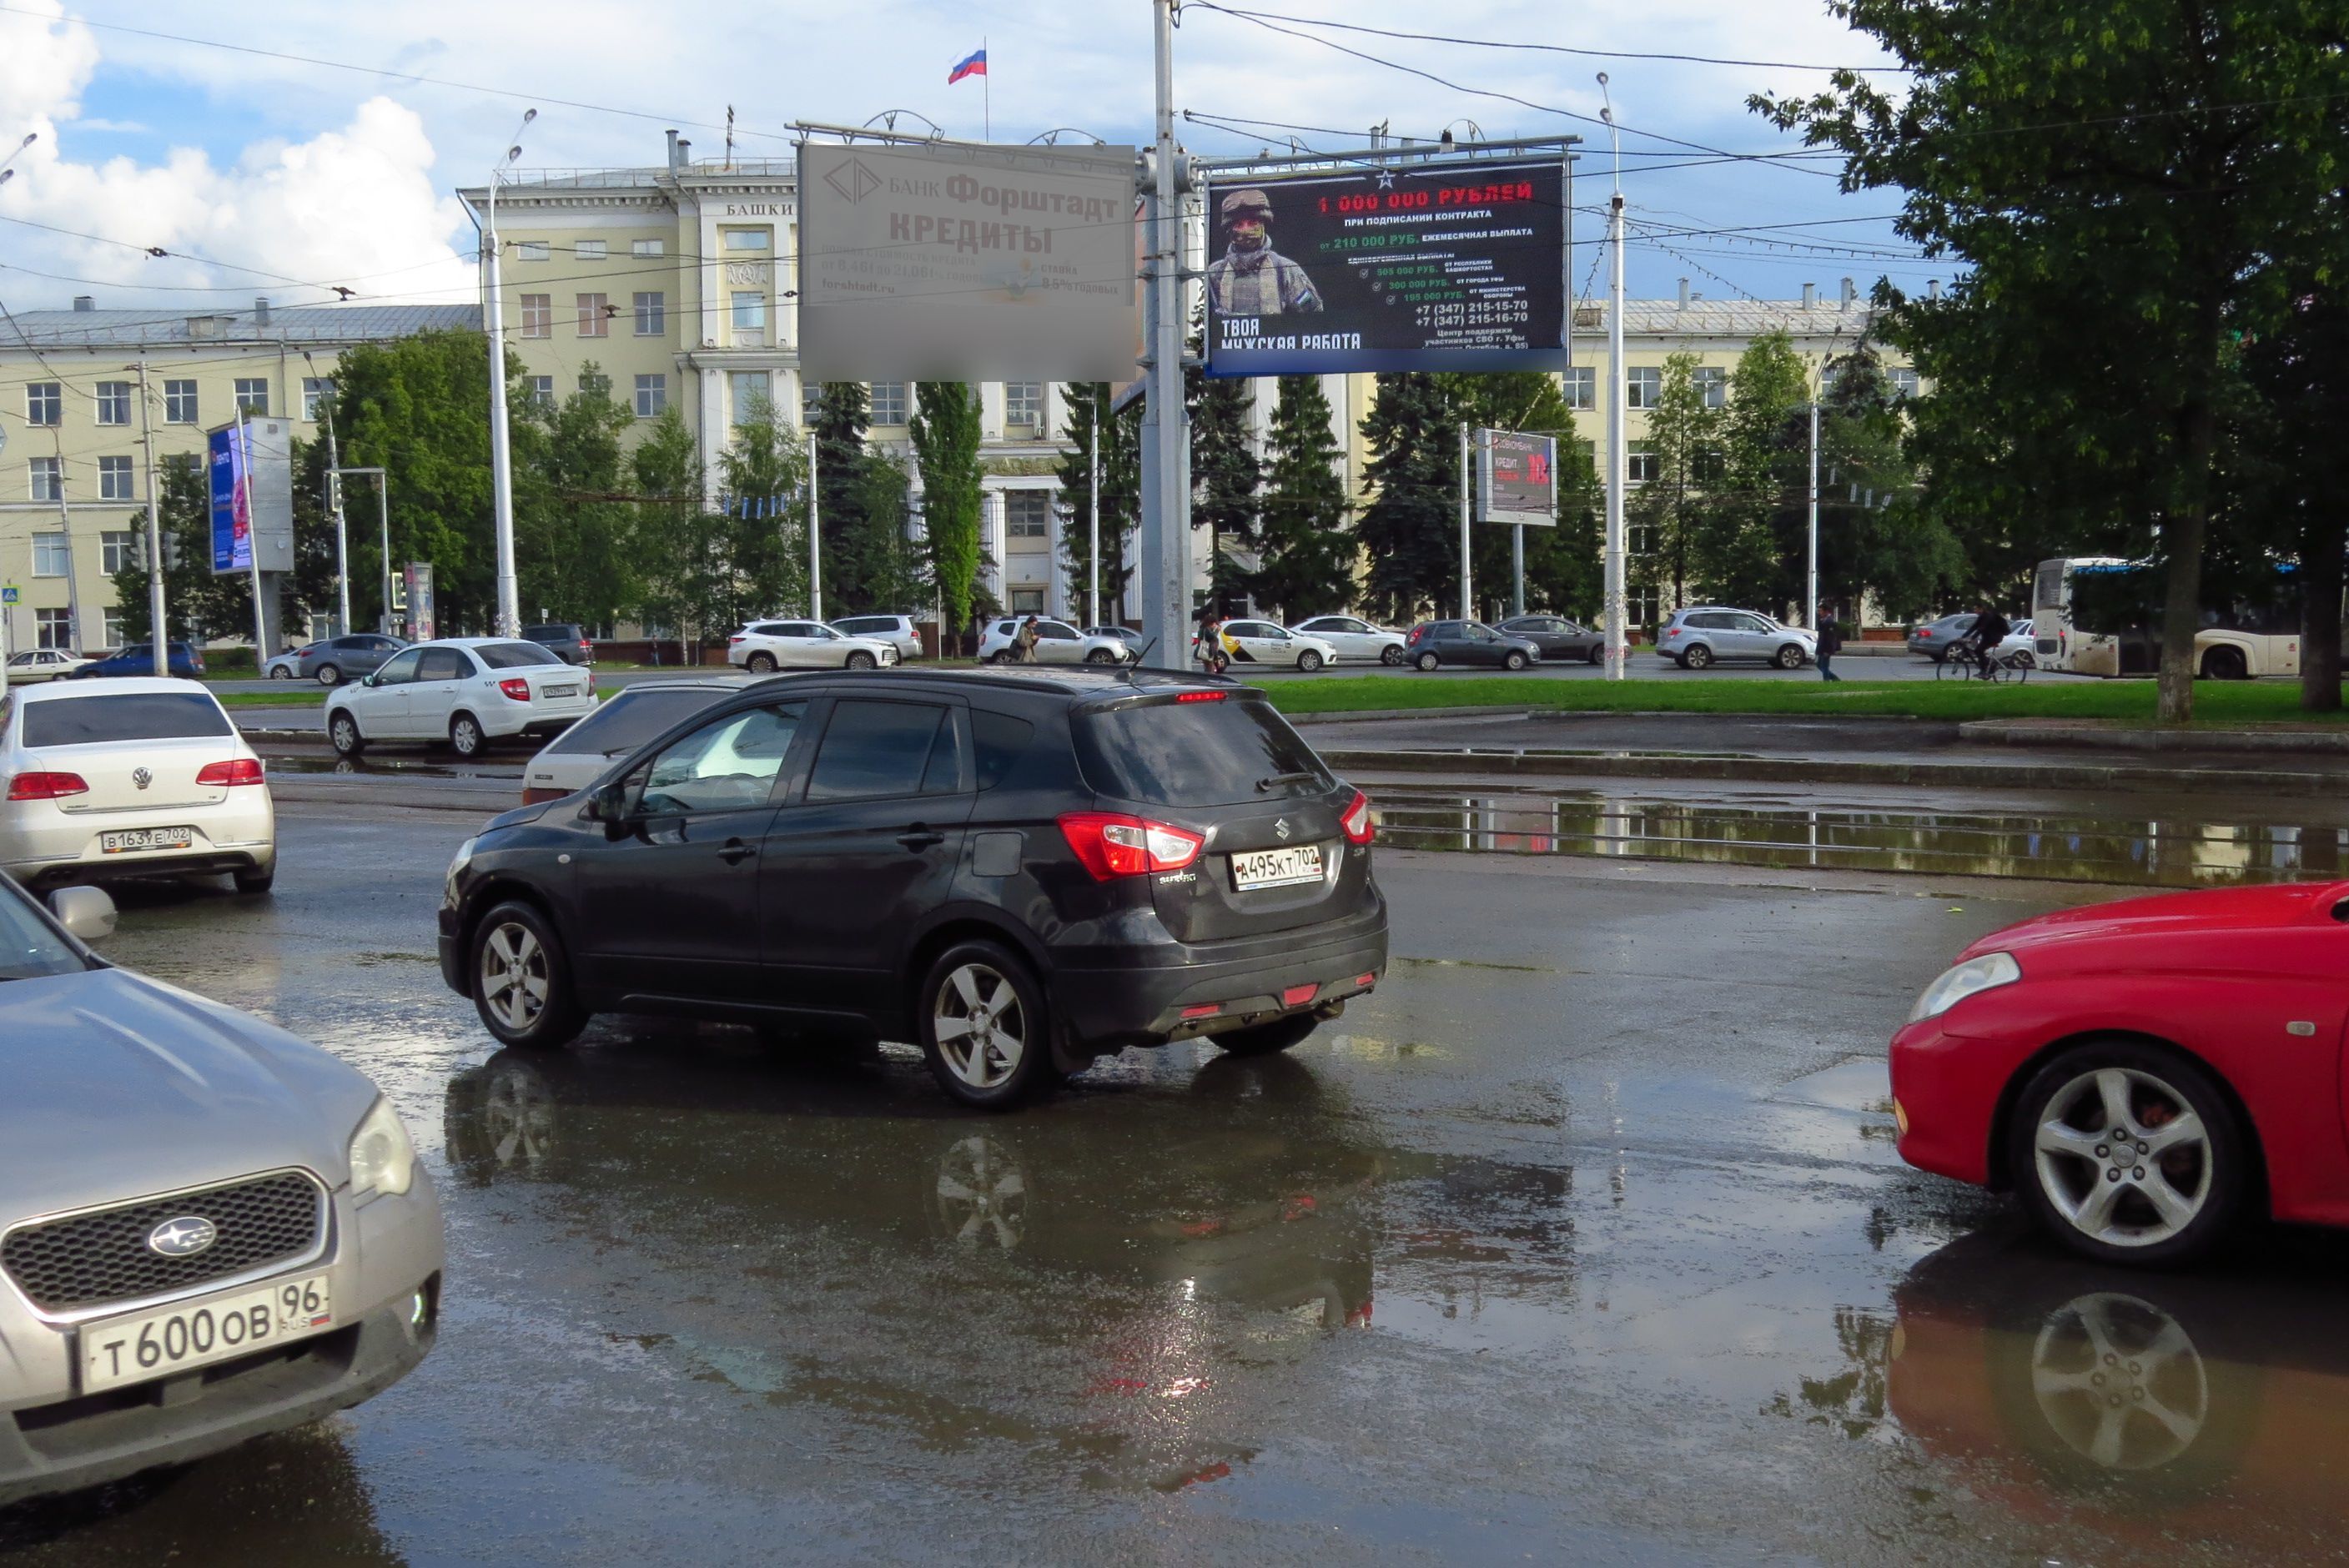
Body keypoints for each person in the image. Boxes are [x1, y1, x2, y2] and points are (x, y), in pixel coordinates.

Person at [1204, 188, 1324, 319]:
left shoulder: (1285, 270)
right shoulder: (1215, 274)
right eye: (1239, 225)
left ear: (1263, 224)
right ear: (1230, 229)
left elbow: (1313, 317)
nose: (1246, 230)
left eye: (1252, 223)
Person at [1968, 602, 2013, 676]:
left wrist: (1972, 638)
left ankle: (1985, 670)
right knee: (1978, 651)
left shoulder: (1988, 617)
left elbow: (1981, 629)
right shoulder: (1981, 617)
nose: (1975, 611)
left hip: (1994, 638)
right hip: (1988, 638)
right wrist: (1963, 636)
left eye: (1976, 609)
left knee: (1978, 651)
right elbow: (1974, 627)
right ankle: (1988, 668)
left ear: (1981, 609)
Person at [1816, 611, 1843, 682]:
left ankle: (1826, 681)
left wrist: (1828, 650)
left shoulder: (1830, 622)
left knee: (1825, 666)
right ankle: (1834, 678)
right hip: (1822, 646)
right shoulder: (1823, 620)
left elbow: (1831, 638)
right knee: (1819, 664)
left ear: (1826, 611)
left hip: (1826, 648)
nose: (1819, 612)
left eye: (1821, 610)